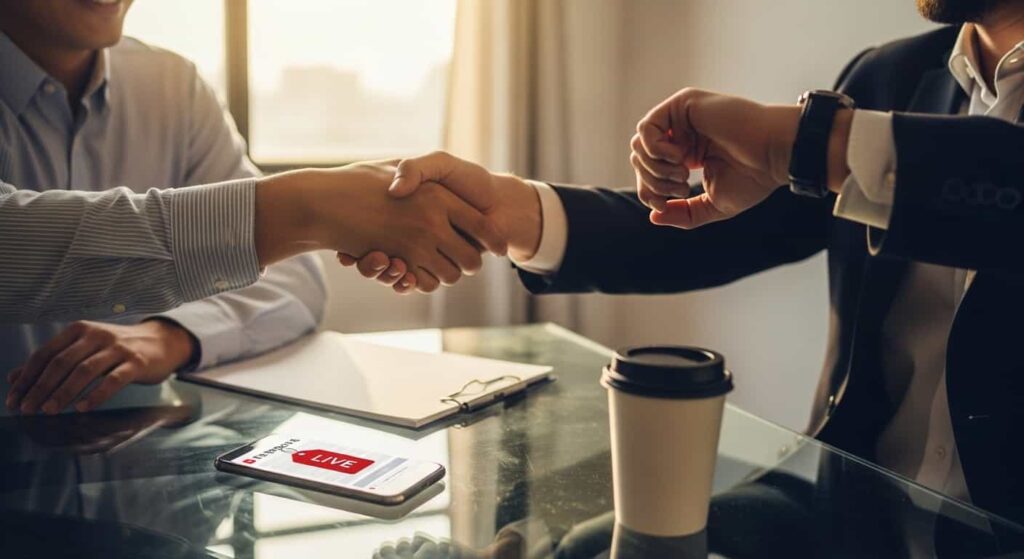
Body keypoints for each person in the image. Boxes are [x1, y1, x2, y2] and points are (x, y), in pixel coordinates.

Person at [346, 0, 1024, 529]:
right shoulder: (890, 76)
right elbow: (723, 233)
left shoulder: (849, 119)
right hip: (850, 509)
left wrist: (811, 141)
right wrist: (511, 210)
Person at [0, 0, 505, 415]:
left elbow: (293, 281)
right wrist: (308, 207)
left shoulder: (173, 86)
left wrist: (172, 336)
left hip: (147, 489)